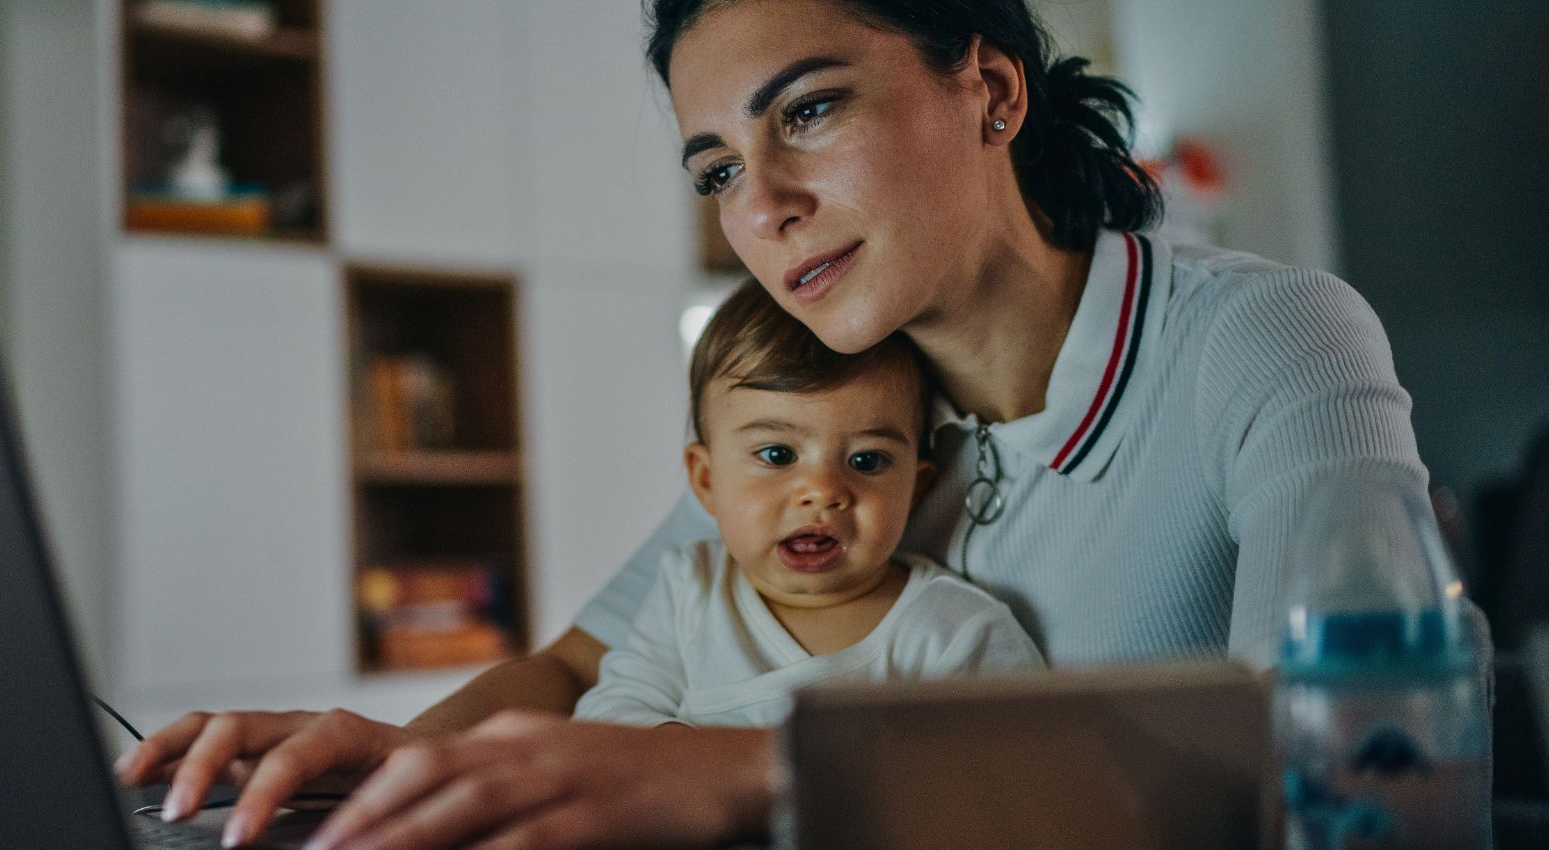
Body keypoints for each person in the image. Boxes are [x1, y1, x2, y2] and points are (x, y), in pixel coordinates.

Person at [115, 1, 1431, 847]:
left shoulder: (1264, 341)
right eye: (720, 171)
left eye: (807, 110)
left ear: (990, 90)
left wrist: (768, 766)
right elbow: (579, 672)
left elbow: (1372, 752)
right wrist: (395, 761)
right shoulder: (827, 400)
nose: (767, 205)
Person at [575, 279, 1041, 728]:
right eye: (778, 455)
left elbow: (1021, 776)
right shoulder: (691, 591)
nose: (823, 491)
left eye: (867, 460)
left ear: (916, 489)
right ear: (707, 480)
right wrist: (676, 755)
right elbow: (613, 710)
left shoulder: (955, 632)